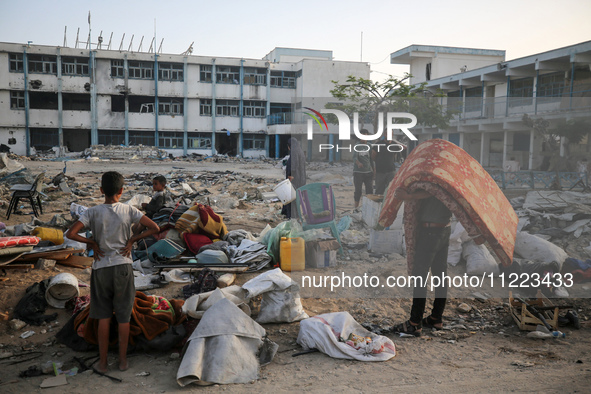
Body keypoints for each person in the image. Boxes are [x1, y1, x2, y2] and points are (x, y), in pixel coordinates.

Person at [66, 171, 159, 372]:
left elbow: (71, 233)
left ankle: (102, 362)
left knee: (103, 317)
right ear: (122, 190)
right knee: (124, 317)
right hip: (123, 266)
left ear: (101, 191)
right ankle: (123, 361)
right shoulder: (129, 210)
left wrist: (91, 241)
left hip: (101, 268)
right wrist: (132, 241)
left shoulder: (92, 212)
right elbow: (154, 228)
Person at [392, 187, 452, 336]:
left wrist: (407, 195)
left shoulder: (434, 173)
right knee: (440, 276)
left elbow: (433, 191)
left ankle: (414, 323)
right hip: (444, 230)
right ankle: (436, 318)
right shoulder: (449, 174)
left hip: (430, 232)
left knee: (420, 277)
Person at [281, 137, 307, 218]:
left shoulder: (294, 152)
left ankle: (292, 217)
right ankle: (294, 216)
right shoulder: (300, 151)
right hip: (301, 180)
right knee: (295, 199)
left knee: (291, 199)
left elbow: (293, 166)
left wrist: (290, 177)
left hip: (294, 179)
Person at [353, 140, 374, 209]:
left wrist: (373, 169)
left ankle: (369, 208)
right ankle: (356, 207)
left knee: (369, 191)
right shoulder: (357, 145)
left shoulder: (369, 145)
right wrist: (358, 163)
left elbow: (371, 158)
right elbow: (354, 157)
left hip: (368, 172)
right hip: (358, 172)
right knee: (358, 191)